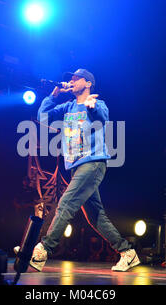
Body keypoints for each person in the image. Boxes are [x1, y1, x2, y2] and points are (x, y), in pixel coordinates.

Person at [29, 68, 140, 272]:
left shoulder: (97, 102)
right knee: (95, 216)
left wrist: (92, 107)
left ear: (88, 83)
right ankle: (127, 252)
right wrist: (52, 96)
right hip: (76, 166)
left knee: (66, 204)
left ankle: (43, 250)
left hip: (93, 163)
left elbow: (103, 118)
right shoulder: (68, 106)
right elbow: (42, 117)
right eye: (70, 79)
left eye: (76, 78)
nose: (71, 81)